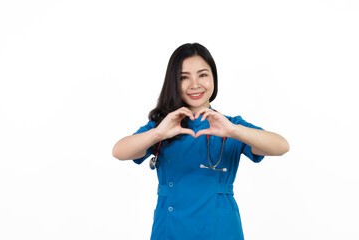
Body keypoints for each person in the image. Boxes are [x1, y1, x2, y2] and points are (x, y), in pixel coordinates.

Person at [112, 43, 289, 240]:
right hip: (170, 231)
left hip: (220, 230)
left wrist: (233, 130)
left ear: (214, 78)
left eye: (203, 75)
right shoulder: (163, 126)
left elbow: (281, 146)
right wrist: (157, 134)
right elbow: (119, 151)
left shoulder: (230, 126)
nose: (194, 84)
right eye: (184, 77)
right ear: (173, 82)